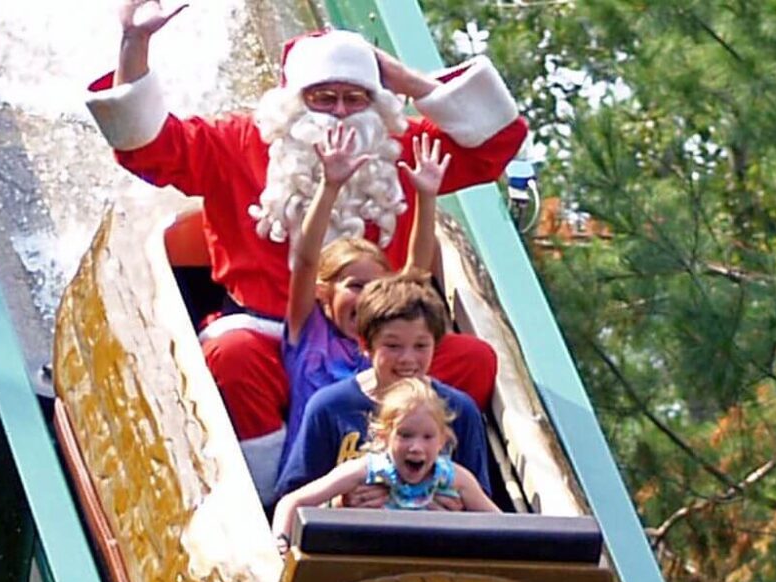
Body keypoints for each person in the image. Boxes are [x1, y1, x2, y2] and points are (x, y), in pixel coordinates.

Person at [85, 1, 525, 488]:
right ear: (292, 101)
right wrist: (135, 43)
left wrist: (405, 79)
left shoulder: (397, 147)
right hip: (273, 338)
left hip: (388, 344)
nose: (339, 112)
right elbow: (146, 146)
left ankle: (427, 484)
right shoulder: (236, 142)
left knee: (471, 359)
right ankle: (267, 495)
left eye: (355, 98)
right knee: (233, 356)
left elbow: (495, 144)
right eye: (323, 97)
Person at [282, 122, 449, 459]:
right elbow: (304, 260)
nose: (365, 296)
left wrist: (427, 197)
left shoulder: (386, 345)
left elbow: (416, 273)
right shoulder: (309, 331)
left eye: (375, 286)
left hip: (390, 475)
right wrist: (330, 187)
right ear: (323, 292)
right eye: (354, 286)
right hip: (319, 471)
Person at [274, 271, 491, 512]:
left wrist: (455, 509)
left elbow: (480, 502)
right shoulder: (330, 407)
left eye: (421, 346)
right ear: (366, 345)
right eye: (393, 346)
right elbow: (293, 498)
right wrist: (339, 503)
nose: (408, 359)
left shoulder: (458, 409)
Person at [272, 377, 499, 550]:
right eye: (405, 435)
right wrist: (280, 545)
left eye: (427, 437)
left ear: (442, 441)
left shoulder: (454, 478)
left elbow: (499, 522)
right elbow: (292, 501)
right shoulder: (367, 470)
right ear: (384, 437)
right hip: (371, 557)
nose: (416, 447)